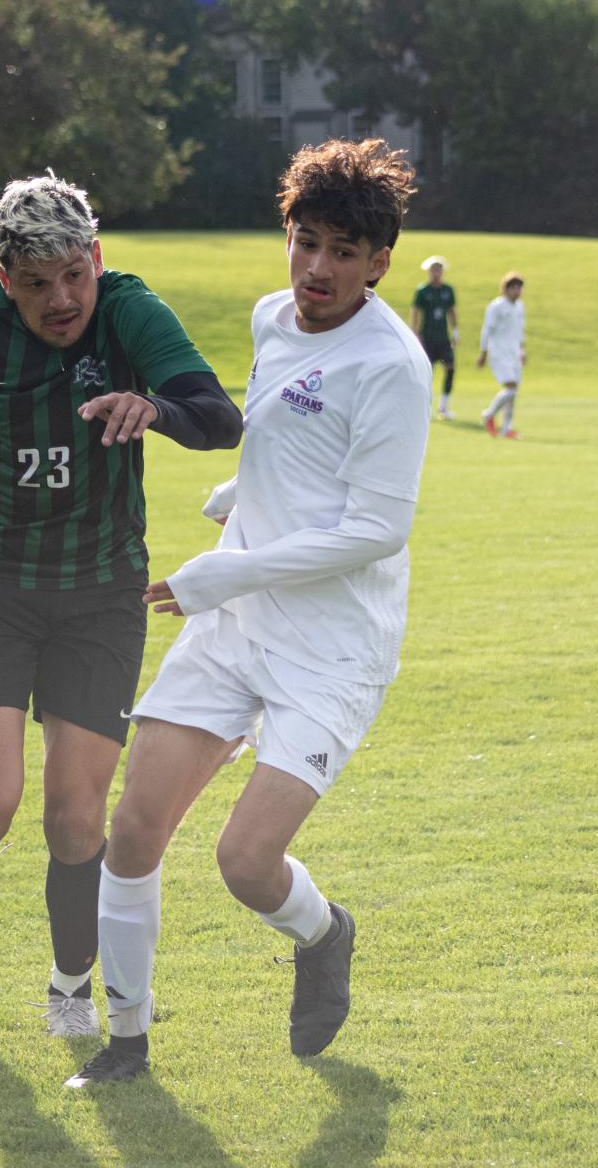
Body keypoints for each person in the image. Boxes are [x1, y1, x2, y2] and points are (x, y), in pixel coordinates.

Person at [64, 138, 431, 1086]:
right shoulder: (274, 318)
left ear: (380, 261)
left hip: (333, 646)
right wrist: (240, 490)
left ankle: (325, 931)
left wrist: (221, 573)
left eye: (343, 253)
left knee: (244, 860)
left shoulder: (392, 364)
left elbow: (377, 528)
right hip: (239, 622)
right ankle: (128, 1043)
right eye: (305, 242)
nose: (317, 269)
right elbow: (294, 444)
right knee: (135, 827)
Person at [0, 175, 241, 1037]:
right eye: (36, 284)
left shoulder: (128, 310)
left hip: (99, 587)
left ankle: (70, 986)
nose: (60, 298)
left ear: (95, 258)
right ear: (5, 280)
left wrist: (157, 408)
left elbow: (220, 418)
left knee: (75, 814)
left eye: (74, 274)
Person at [409, 254, 459, 419]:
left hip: (443, 337)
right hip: (427, 337)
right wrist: (414, 333)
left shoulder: (447, 290)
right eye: (433, 269)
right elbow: (415, 312)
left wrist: (455, 331)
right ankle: (426, 405)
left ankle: (444, 406)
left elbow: (452, 311)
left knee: (450, 367)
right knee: (426, 372)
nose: (436, 272)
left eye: (439, 269)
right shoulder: (423, 290)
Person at [478, 274, 526, 438]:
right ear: (505, 288)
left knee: (513, 392)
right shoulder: (497, 306)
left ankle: (506, 428)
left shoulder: (520, 306)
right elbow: (487, 329)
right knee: (511, 388)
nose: (517, 291)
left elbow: (519, 331)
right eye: (513, 287)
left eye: (519, 287)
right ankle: (489, 414)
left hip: (513, 353)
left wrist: (522, 351)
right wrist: (483, 352)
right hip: (498, 352)